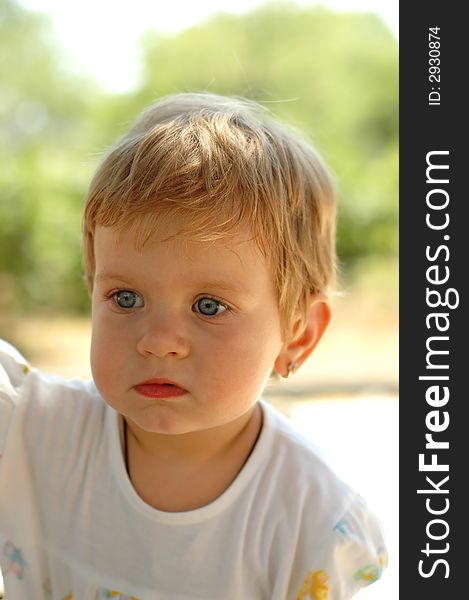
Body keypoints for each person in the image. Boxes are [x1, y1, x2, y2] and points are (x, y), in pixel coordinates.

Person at [0, 92, 387, 599]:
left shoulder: (312, 520)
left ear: (298, 334)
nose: (159, 342)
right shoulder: (31, 430)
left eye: (209, 306)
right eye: (125, 296)